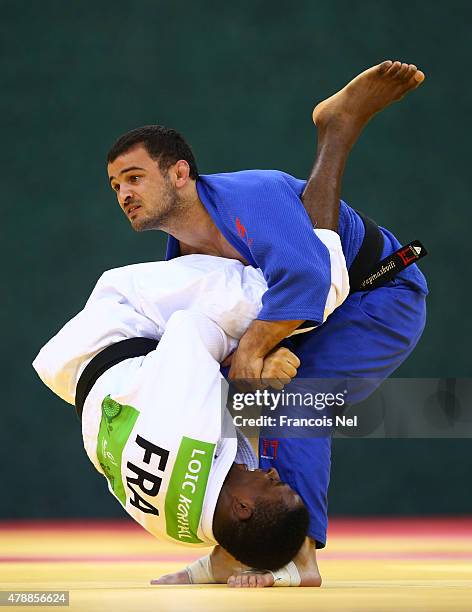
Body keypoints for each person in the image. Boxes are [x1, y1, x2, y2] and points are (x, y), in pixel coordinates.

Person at [105, 60, 428, 587]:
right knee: (234, 402)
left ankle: (298, 558)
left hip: (380, 294)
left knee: (297, 400)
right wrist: (251, 356)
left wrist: (256, 346)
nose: (124, 194)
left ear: (180, 173)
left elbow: (310, 277)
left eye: (135, 177)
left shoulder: (248, 195)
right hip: (316, 312)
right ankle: (237, 548)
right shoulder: (179, 261)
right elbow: (218, 348)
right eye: (116, 184)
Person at [32, 244, 348, 583]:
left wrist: (255, 357)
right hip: (72, 379)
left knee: (293, 295)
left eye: (275, 486)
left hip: (120, 318)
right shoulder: (182, 533)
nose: (274, 475)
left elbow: (191, 325)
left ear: (242, 508)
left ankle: (329, 240)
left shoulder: (190, 431)